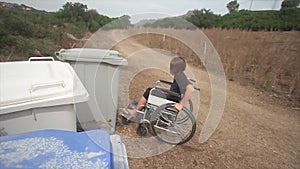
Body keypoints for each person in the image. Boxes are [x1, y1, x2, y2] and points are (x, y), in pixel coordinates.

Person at [121, 56, 194, 120]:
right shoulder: (179, 75)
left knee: (149, 92)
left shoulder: (181, 77)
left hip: (171, 99)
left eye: (172, 67)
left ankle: (135, 112)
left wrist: (181, 105)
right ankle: (139, 108)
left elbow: (190, 89)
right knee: (150, 90)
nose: (170, 68)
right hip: (171, 97)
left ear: (177, 68)